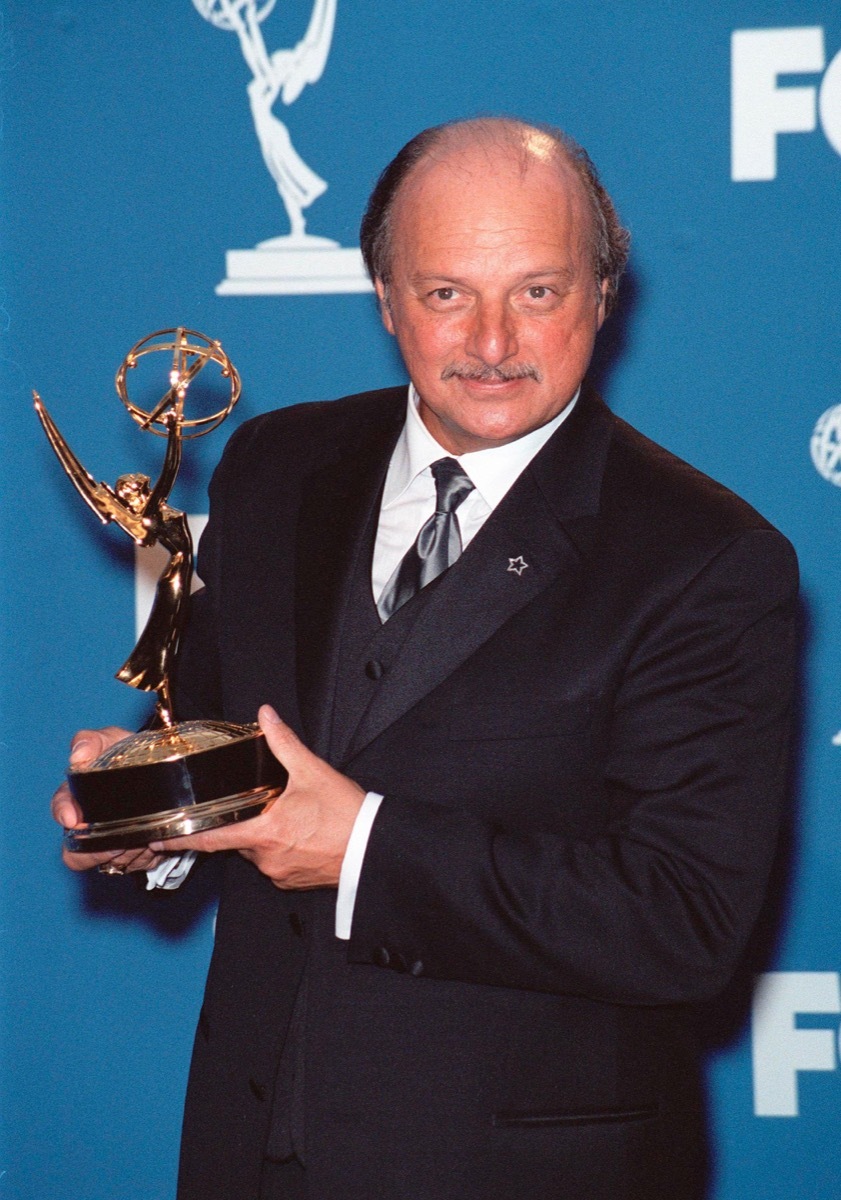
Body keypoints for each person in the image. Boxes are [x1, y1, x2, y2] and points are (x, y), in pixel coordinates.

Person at [52, 118, 799, 1200]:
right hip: (251, 1154)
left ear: (602, 293)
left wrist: (362, 848)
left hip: (523, 1173)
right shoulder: (278, 464)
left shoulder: (707, 560)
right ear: (384, 296)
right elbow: (227, 726)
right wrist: (152, 817)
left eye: (537, 292)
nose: (493, 341)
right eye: (447, 293)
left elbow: (682, 921)